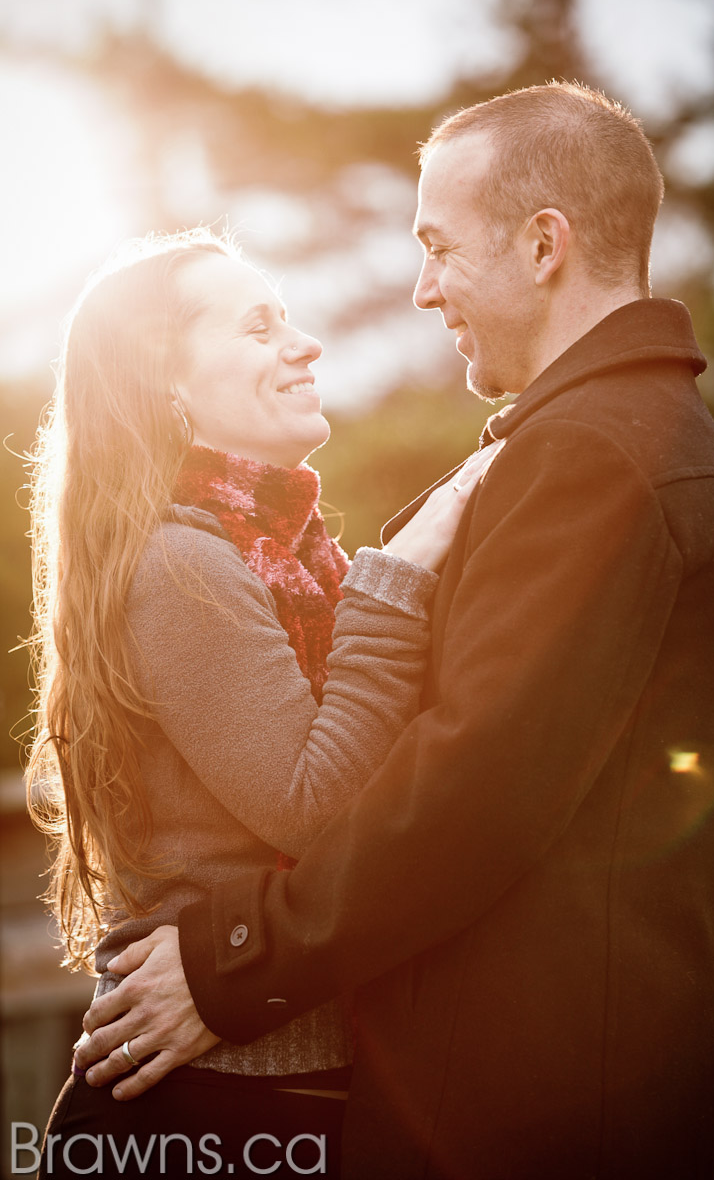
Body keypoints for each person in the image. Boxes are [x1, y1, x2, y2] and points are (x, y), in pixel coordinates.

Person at [76, 82, 714, 1179]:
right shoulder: (586, 437)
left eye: (439, 247)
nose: (421, 287)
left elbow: (466, 789)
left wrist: (231, 966)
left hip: (530, 1106)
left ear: (543, 245)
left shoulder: (591, 452)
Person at [26, 228, 491, 1178]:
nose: (304, 344)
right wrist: (393, 581)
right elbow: (314, 805)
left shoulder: (266, 552)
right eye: (258, 326)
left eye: (289, 318)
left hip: (264, 1084)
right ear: (168, 386)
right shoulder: (180, 564)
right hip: (220, 1107)